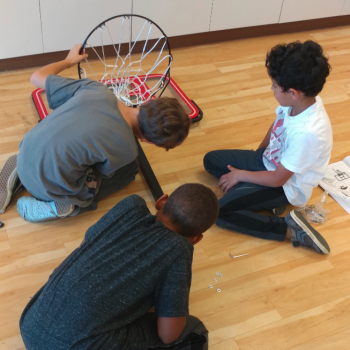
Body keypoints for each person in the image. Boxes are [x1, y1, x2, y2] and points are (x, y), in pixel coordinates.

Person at [0, 44, 190, 222]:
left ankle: (21, 171)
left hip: (26, 151)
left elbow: (37, 76)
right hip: (47, 186)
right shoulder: (127, 149)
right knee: (129, 171)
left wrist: (69, 61)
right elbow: (100, 171)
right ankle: (68, 206)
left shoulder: (97, 89)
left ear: (147, 102)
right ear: (149, 141)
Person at [19, 183, 219, 350]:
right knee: (193, 330)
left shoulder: (131, 205)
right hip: (75, 345)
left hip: (30, 324)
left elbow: (85, 246)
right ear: (196, 239)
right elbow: (168, 335)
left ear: (161, 201)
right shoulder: (179, 249)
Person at [203, 40, 332, 254]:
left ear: (293, 93)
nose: (271, 89)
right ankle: (254, 195)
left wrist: (241, 175)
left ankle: (289, 229)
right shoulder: (297, 102)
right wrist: (257, 156)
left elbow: (278, 179)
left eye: (274, 85)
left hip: (285, 185)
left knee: (220, 211)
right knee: (211, 160)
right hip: (268, 162)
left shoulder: (308, 133)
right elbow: (277, 124)